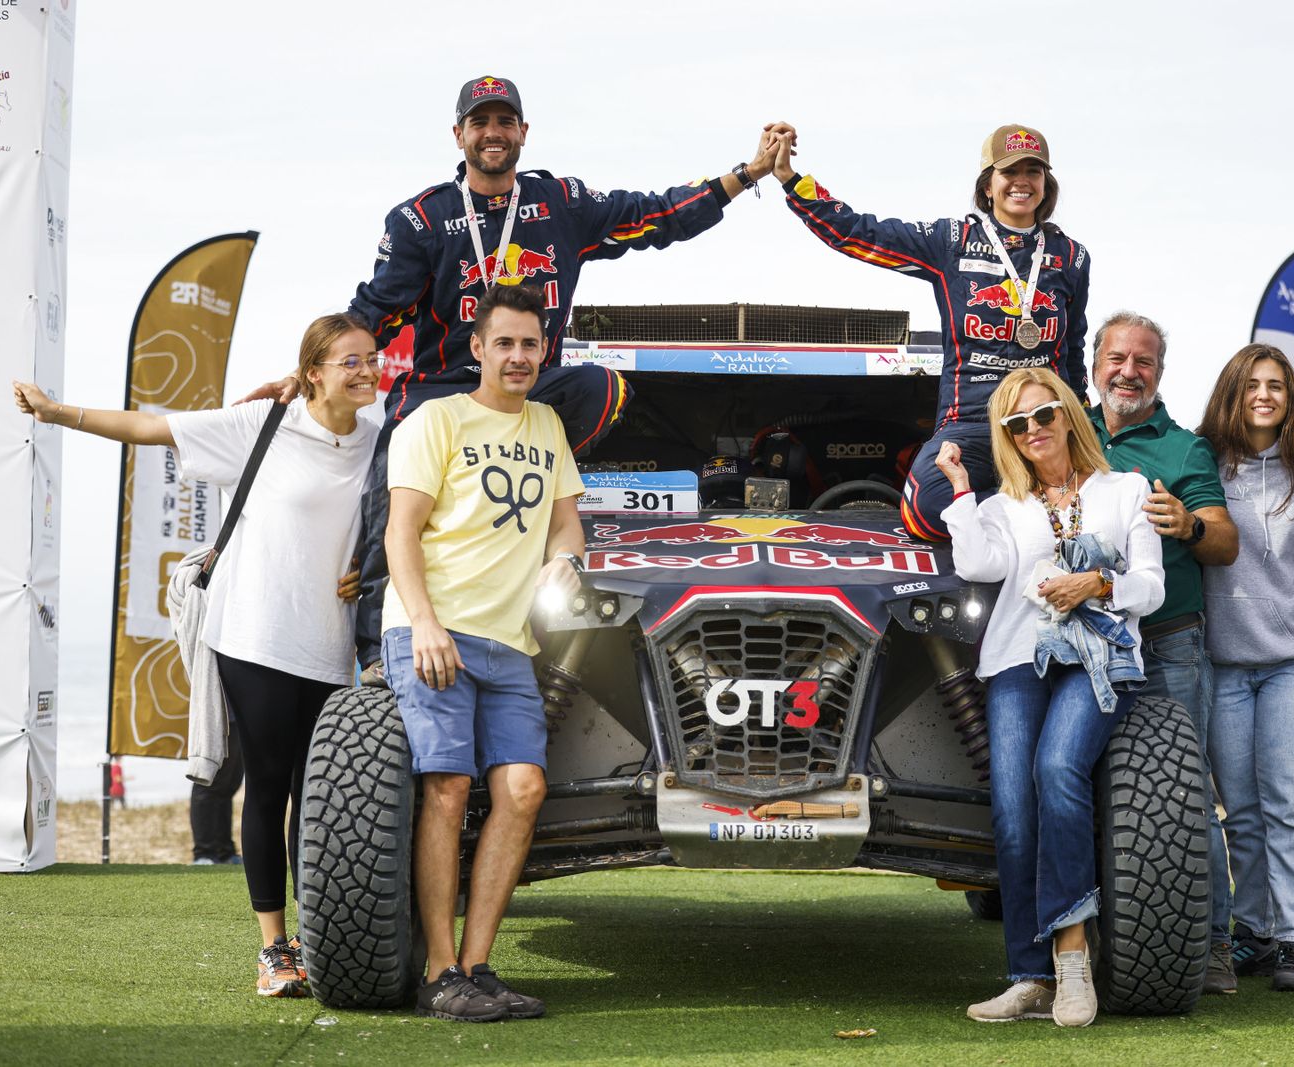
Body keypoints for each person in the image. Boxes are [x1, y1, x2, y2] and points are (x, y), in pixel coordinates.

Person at [341, 76, 786, 668]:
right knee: (390, 481)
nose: (493, 134)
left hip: (525, 387)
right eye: (480, 123)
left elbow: (658, 215)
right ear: (459, 135)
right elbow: (374, 311)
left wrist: (748, 173)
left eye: (505, 122)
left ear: (523, 132)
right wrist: (310, 368)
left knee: (602, 385)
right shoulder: (422, 218)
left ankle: (525, 479)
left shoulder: (560, 204)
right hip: (443, 390)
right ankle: (376, 658)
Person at [14, 313, 380, 997]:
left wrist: (370, 558)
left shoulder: (379, 435)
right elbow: (154, 428)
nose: (366, 371)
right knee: (270, 784)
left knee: (321, 798)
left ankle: (319, 933)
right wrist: (58, 412)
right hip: (257, 636)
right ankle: (274, 946)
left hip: (332, 645)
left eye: (371, 359)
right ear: (314, 372)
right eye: (349, 361)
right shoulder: (265, 426)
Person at [383, 284, 585, 1023]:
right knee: (446, 788)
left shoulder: (548, 425)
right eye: (504, 342)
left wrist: (564, 558)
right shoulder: (436, 419)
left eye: (530, 343)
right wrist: (424, 622)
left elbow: (567, 525)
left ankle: (478, 964)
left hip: (510, 643)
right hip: (435, 631)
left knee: (523, 790)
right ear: (478, 348)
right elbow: (400, 533)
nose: (519, 356)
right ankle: (439, 972)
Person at [940, 367, 1164, 1028]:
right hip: (1018, 657)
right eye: (1017, 425)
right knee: (1012, 808)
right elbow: (976, 566)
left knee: (1057, 770)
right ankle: (1029, 976)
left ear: (1067, 414)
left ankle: (1071, 957)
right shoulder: (1002, 505)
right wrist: (959, 490)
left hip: (1099, 659)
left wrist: (1095, 584)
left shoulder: (1124, 490)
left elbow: (1148, 584)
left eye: (1043, 416)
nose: (1033, 431)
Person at [769, 123, 1091, 542]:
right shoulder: (952, 242)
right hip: (973, 421)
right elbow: (857, 232)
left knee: (1102, 501)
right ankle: (1031, 521)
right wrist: (792, 183)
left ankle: (1031, 523)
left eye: (1034, 172)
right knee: (925, 510)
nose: (1022, 182)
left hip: (1042, 419)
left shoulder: (1072, 257)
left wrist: (1084, 420)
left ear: (1046, 185)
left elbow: (1074, 348)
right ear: (988, 185)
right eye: (1009, 172)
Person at [1084, 310, 1240, 992]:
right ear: (1095, 364)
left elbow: (1226, 542)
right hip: (1080, 641)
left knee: (1185, 797)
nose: (1128, 371)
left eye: (1143, 361)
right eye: (1117, 357)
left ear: (1160, 373)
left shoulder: (1184, 449)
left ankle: (1210, 945)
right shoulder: (1063, 428)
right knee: (1080, 786)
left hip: (1166, 642)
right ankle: (1082, 938)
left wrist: (1192, 521)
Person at [1195, 344, 1294, 992]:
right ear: (1234, 392)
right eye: (1253, 384)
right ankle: (1254, 930)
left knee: (1291, 805)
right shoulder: (1207, 465)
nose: (1266, 395)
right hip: (1223, 662)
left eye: (1276, 385)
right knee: (1240, 810)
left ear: (1290, 397)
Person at [190, 741, 244, 865]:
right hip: (214, 723)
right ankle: (204, 853)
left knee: (229, 784)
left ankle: (224, 851)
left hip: (238, 723)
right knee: (207, 779)